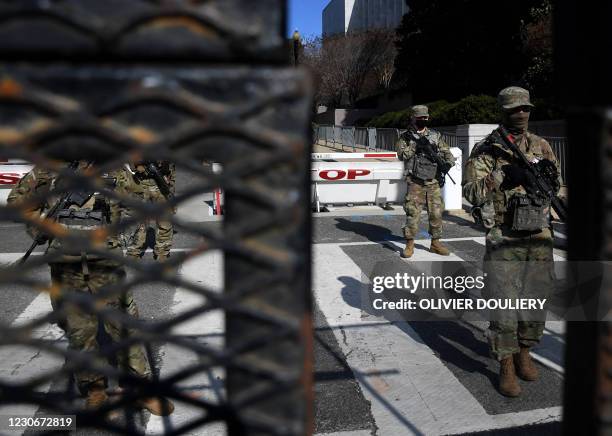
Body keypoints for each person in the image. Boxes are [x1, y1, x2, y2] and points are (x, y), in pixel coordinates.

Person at [7, 162, 174, 415]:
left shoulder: (115, 169)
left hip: (106, 262)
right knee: (80, 329)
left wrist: (118, 234)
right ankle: (94, 389)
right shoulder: (48, 169)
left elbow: (139, 201)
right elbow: (18, 202)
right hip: (66, 264)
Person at [462, 87, 561, 397]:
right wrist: (503, 176)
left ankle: (524, 352)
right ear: (503, 112)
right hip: (504, 236)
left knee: (535, 299)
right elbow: (471, 193)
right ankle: (505, 363)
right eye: (515, 110)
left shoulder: (541, 145)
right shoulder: (487, 150)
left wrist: (545, 177)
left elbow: (554, 183)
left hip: (539, 235)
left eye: (525, 109)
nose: (521, 114)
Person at [395, 105, 456, 258]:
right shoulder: (405, 137)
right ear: (413, 118)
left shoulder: (435, 136)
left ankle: (435, 243)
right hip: (415, 181)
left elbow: (447, 153)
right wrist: (416, 145)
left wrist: (448, 164)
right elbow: (401, 155)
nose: (423, 120)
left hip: (433, 181)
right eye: (420, 118)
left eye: (425, 118)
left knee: (436, 213)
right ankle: (409, 244)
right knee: (412, 213)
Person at [120, 161, 175, 262]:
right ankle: (133, 251)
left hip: (160, 180)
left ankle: (162, 252)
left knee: (164, 220)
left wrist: (171, 181)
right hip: (137, 181)